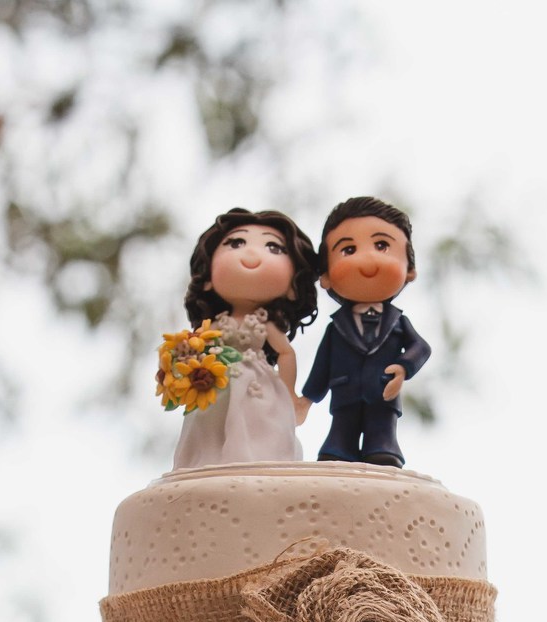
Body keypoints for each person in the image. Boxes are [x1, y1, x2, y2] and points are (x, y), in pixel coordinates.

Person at [170, 208, 318, 470]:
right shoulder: (214, 325)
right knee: (210, 427)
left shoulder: (264, 322)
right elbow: (196, 347)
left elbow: (286, 353)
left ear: (291, 286)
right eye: (236, 243)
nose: (251, 254)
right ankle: (208, 463)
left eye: (274, 247)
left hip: (257, 385)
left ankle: (258, 465)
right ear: (207, 279)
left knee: (259, 426)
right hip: (216, 384)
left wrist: (289, 396)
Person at [301, 196, 430, 467]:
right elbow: (322, 364)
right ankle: (339, 447)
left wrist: (404, 367)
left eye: (382, 246)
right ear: (325, 276)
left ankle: (382, 446)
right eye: (348, 250)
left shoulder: (398, 322)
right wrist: (308, 398)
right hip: (344, 392)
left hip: (383, 394)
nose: (367, 259)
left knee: (382, 438)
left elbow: (421, 347)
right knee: (339, 439)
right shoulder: (336, 327)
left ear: (410, 270)